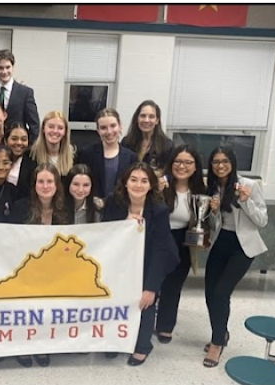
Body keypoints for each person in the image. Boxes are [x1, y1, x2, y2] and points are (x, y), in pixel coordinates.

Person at [102, 162, 179, 366]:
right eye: (133, 180)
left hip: (150, 259)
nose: (138, 185)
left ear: (151, 185)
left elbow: (161, 250)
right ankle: (114, 341)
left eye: (144, 181)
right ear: (125, 183)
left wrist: (151, 288)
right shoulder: (114, 203)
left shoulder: (159, 209)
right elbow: (104, 234)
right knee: (115, 300)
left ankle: (143, 346)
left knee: (145, 301)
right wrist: (125, 223)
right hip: (120, 260)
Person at [202, 146, 268, 368]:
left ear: (232, 163)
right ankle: (221, 332)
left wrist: (246, 201)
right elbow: (213, 224)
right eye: (216, 162)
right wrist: (212, 211)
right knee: (210, 292)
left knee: (221, 293)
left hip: (243, 246)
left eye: (225, 161)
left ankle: (217, 343)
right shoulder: (212, 187)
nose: (220, 166)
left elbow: (262, 221)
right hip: (221, 242)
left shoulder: (249, 185)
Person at [10, 163, 69, 368]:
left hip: (55, 270)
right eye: (41, 181)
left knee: (47, 309)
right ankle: (23, 347)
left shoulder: (64, 210)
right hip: (26, 268)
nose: (45, 186)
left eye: (49, 181)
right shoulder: (20, 207)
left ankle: (42, 346)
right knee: (25, 309)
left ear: (57, 185)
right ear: (34, 184)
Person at [155, 145, 206, 344]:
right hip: (158, 239)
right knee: (152, 284)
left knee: (173, 286)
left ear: (195, 167)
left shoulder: (200, 190)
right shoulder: (161, 183)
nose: (182, 166)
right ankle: (144, 321)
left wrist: (215, 210)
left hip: (184, 241)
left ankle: (166, 326)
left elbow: (207, 220)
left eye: (188, 162)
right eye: (178, 161)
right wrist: (155, 192)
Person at [79, 108, 138, 200]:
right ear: (98, 130)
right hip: (93, 209)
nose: (109, 132)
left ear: (120, 126)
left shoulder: (131, 157)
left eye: (113, 126)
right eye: (103, 128)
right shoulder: (87, 154)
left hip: (121, 209)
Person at [0, 49, 40, 143]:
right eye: (0, 68)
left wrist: (29, 147)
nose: (4, 71)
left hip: (17, 144)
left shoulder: (25, 92)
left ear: (13, 67)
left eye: (8, 67)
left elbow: (34, 125)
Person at [121, 100, 174, 175]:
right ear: (137, 119)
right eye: (143, 116)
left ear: (157, 121)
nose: (146, 120)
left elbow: (170, 173)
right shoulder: (127, 142)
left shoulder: (167, 145)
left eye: (151, 116)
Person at [30, 111, 76, 179]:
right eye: (51, 127)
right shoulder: (31, 155)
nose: (55, 131)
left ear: (65, 132)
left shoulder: (75, 157)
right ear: (43, 128)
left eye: (60, 128)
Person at [5, 123, 37, 200]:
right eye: (14, 139)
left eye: (23, 139)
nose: (19, 143)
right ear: (6, 141)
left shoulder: (33, 165)